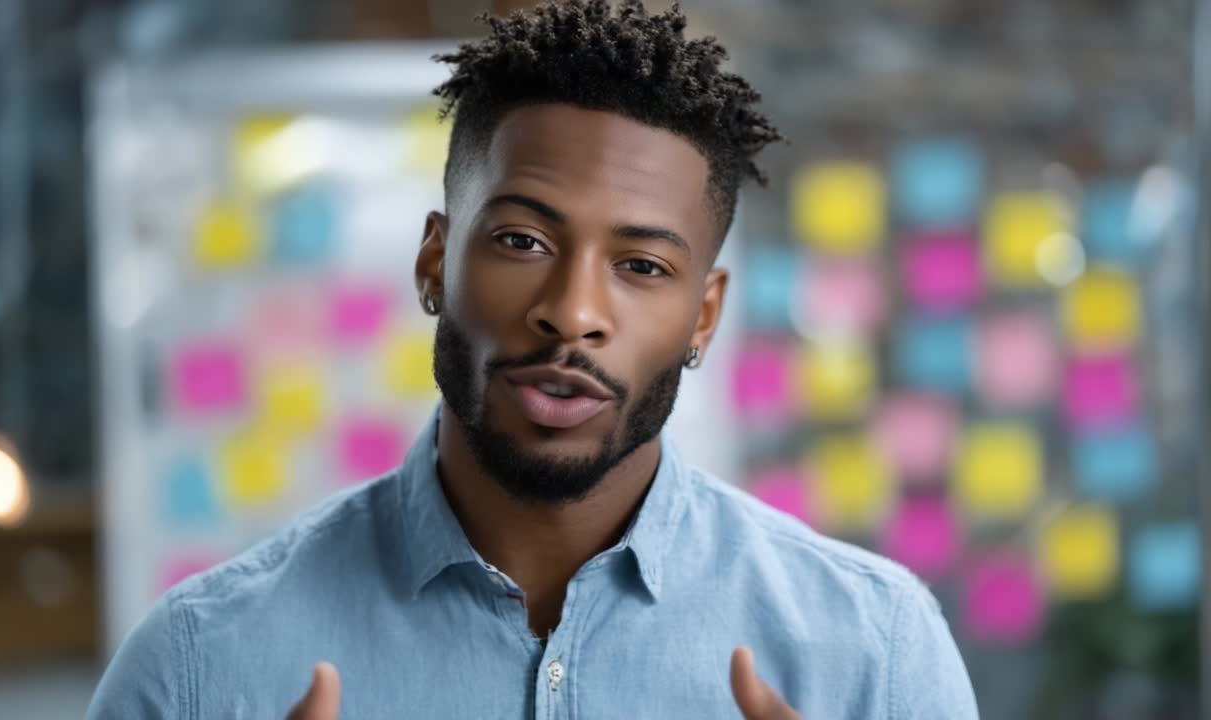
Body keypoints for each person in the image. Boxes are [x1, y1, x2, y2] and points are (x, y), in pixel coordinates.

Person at [86, 1, 978, 718]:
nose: (573, 315)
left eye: (641, 267)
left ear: (704, 317)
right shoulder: (199, 668)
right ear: (435, 260)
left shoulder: (875, 652)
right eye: (521, 240)